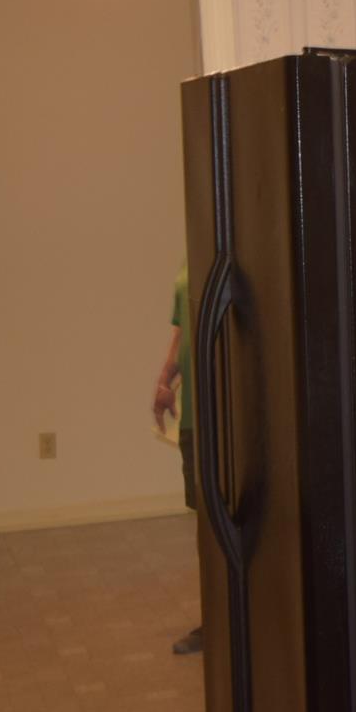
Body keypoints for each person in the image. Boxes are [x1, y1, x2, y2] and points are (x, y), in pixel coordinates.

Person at [154, 263, 203, 655]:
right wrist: (164, 381)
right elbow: (182, 327)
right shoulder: (191, 256)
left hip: (226, 413)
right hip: (194, 414)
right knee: (207, 520)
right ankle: (215, 620)